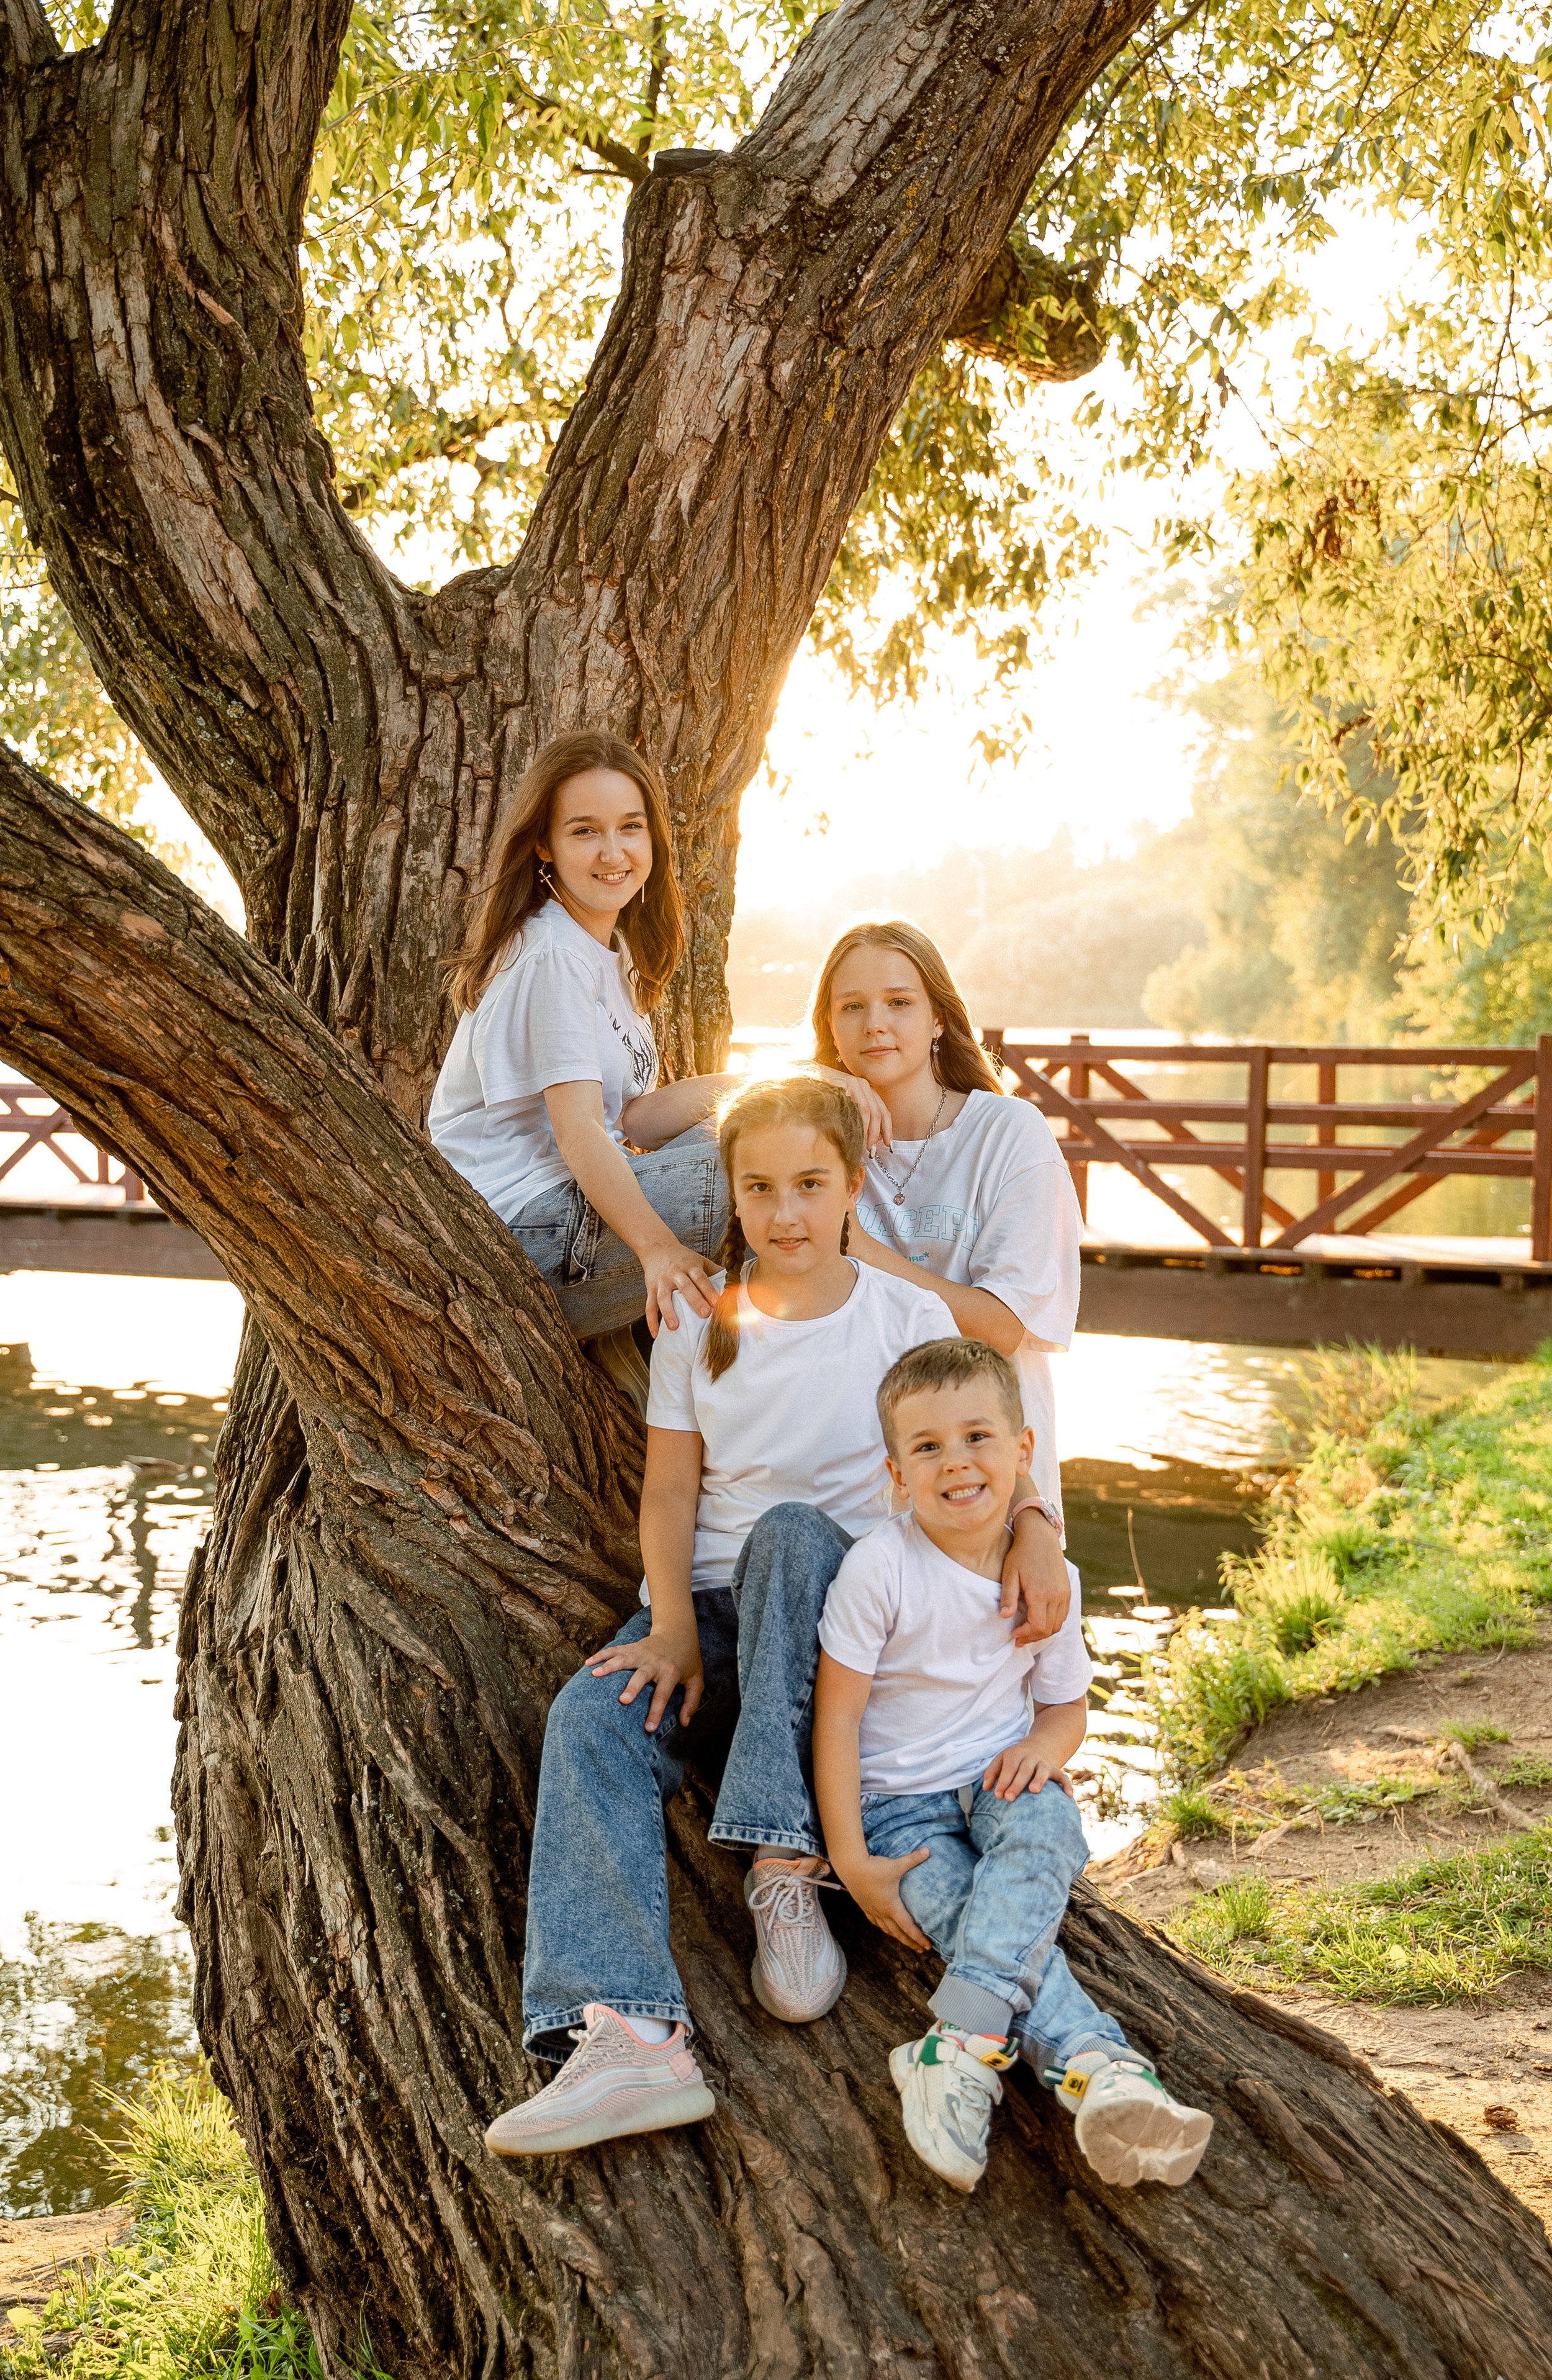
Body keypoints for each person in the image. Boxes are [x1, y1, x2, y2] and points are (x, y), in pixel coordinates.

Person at [485, 1076, 958, 2157]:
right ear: (731, 1197)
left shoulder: (906, 1317)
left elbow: (962, 1456)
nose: (786, 1212)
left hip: (845, 1628)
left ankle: (785, 1870)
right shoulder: (701, 1324)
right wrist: (671, 1630)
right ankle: (628, 2035)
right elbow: (670, 1494)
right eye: (760, 1188)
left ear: (851, 1186)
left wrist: (1027, 1538)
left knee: (792, 1536)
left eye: (809, 1184)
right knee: (590, 1719)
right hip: (712, 1619)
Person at [814, 1336, 1213, 2195]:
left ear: (1023, 1450)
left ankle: (955, 2045)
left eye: (978, 1437)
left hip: (999, 1773)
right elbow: (838, 1716)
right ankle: (1103, 2069)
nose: (957, 1463)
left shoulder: (1048, 1575)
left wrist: (1043, 1748)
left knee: (1048, 1827)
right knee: (969, 1912)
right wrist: (851, 1857)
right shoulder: (877, 1569)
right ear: (896, 1471)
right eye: (928, 1447)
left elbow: (1066, 1706)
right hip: (899, 1807)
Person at [429, 730, 738, 1373]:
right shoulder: (552, 955)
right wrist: (656, 1250)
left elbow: (626, 1122)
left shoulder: (602, 952)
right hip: (520, 1237)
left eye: (630, 827)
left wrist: (769, 1087)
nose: (612, 851)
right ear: (544, 844)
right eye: (584, 832)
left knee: (775, 1126)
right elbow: (578, 1134)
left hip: (559, 1213)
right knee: (773, 1161)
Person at [811, 920, 1080, 1642]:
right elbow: (647, 1117)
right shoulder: (813, 1138)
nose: (876, 1024)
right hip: (866, 1483)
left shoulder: (1008, 1134)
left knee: (993, 1707)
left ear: (937, 1018)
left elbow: (999, 1325)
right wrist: (812, 1084)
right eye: (852, 1007)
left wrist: (859, 1249)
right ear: (829, 1028)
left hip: (985, 1480)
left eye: (899, 1002)